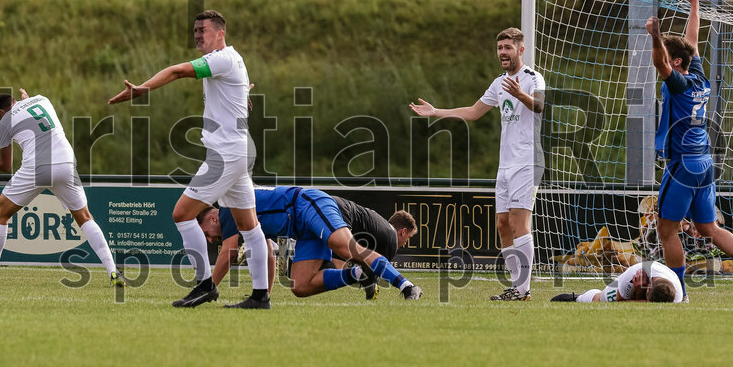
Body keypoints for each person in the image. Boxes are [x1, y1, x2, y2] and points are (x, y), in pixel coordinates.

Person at [109, 10, 269, 309]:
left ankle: (205, 285)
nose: (197, 35)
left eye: (202, 30)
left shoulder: (221, 59)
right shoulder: (233, 58)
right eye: (195, 30)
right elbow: (232, 91)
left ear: (220, 33)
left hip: (227, 153)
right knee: (249, 226)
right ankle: (261, 296)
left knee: (182, 214)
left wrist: (142, 89)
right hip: (238, 149)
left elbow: (176, 71)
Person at [646, 0, 733, 303]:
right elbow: (693, 42)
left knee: (667, 230)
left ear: (676, 62)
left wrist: (655, 35)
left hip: (682, 164)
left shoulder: (678, 83)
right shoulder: (699, 76)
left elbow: (661, 61)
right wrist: (695, 4)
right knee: (709, 228)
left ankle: (680, 293)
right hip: (704, 163)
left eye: (669, 58)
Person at [410, 27, 544, 301]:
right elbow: (473, 112)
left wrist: (520, 95)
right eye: (500, 48)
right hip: (505, 164)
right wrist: (436, 112)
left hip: (527, 161)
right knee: (502, 225)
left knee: (519, 223)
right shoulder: (499, 82)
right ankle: (516, 287)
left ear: (521, 50)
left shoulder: (532, 77)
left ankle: (523, 289)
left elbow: (540, 106)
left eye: (508, 47)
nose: (503, 52)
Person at [0, 89, 123, 287]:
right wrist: (27, 100)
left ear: (1, 113)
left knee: (0, 213)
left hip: (37, 167)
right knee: (85, 217)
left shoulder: (5, 121)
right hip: (66, 163)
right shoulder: (42, 99)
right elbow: (30, 110)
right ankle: (114, 272)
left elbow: (6, 166)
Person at [198, 186, 422, 301]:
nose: (209, 239)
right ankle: (358, 275)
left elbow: (228, 252)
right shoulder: (241, 215)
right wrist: (263, 295)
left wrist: (207, 289)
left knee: (346, 247)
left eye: (206, 233)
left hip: (308, 205)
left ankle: (407, 286)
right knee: (301, 286)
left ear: (213, 218)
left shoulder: (228, 208)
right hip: (301, 226)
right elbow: (267, 252)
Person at [550, 261, 683, 303]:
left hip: (644, 288)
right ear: (647, 287)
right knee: (601, 300)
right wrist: (638, 291)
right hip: (627, 289)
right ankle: (577, 298)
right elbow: (620, 303)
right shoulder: (633, 276)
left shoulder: (677, 296)